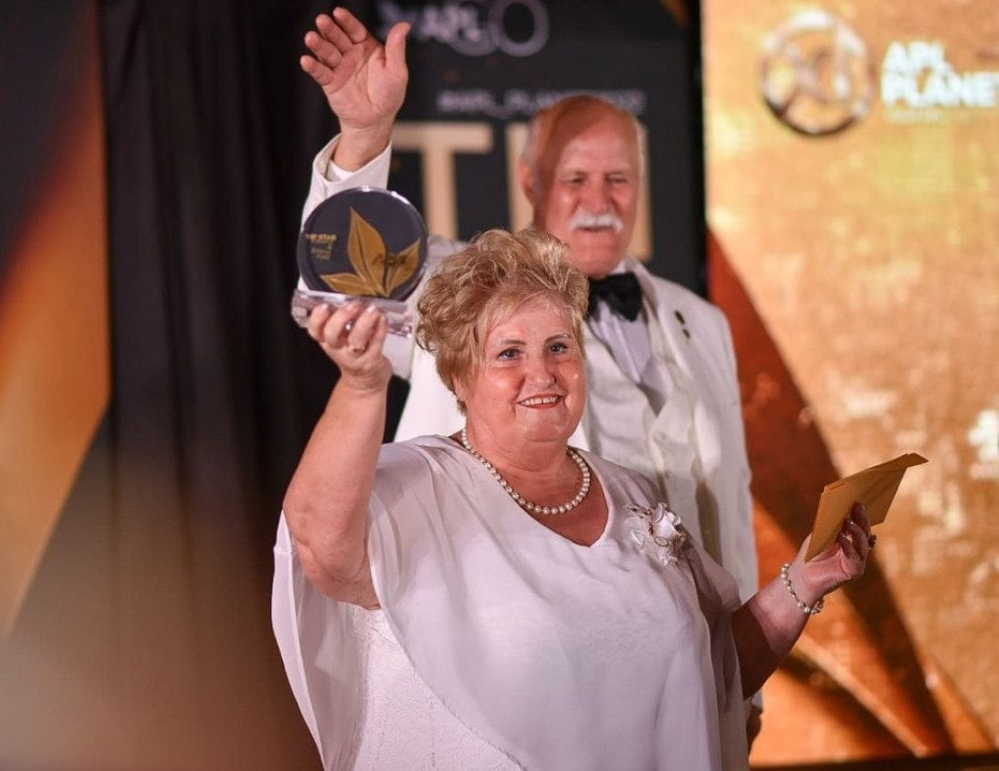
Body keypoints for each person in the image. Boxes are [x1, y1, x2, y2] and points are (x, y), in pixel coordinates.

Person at [272, 228, 873, 769]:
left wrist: (805, 580)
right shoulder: (418, 487)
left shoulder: (631, 492)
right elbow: (324, 551)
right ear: (458, 376)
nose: (543, 373)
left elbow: (714, 673)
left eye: (559, 347)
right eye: (509, 353)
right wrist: (362, 386)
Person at [296, 10, 758, 614]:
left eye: (618, 178)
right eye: (576, 178)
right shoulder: (458, 285)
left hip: (693, 649)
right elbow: (345, 284)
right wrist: (365, 132)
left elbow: (732, 505)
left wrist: (746, 658)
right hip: (516, 633)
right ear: (530, 181)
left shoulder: (702, 322)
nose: (600, 200)